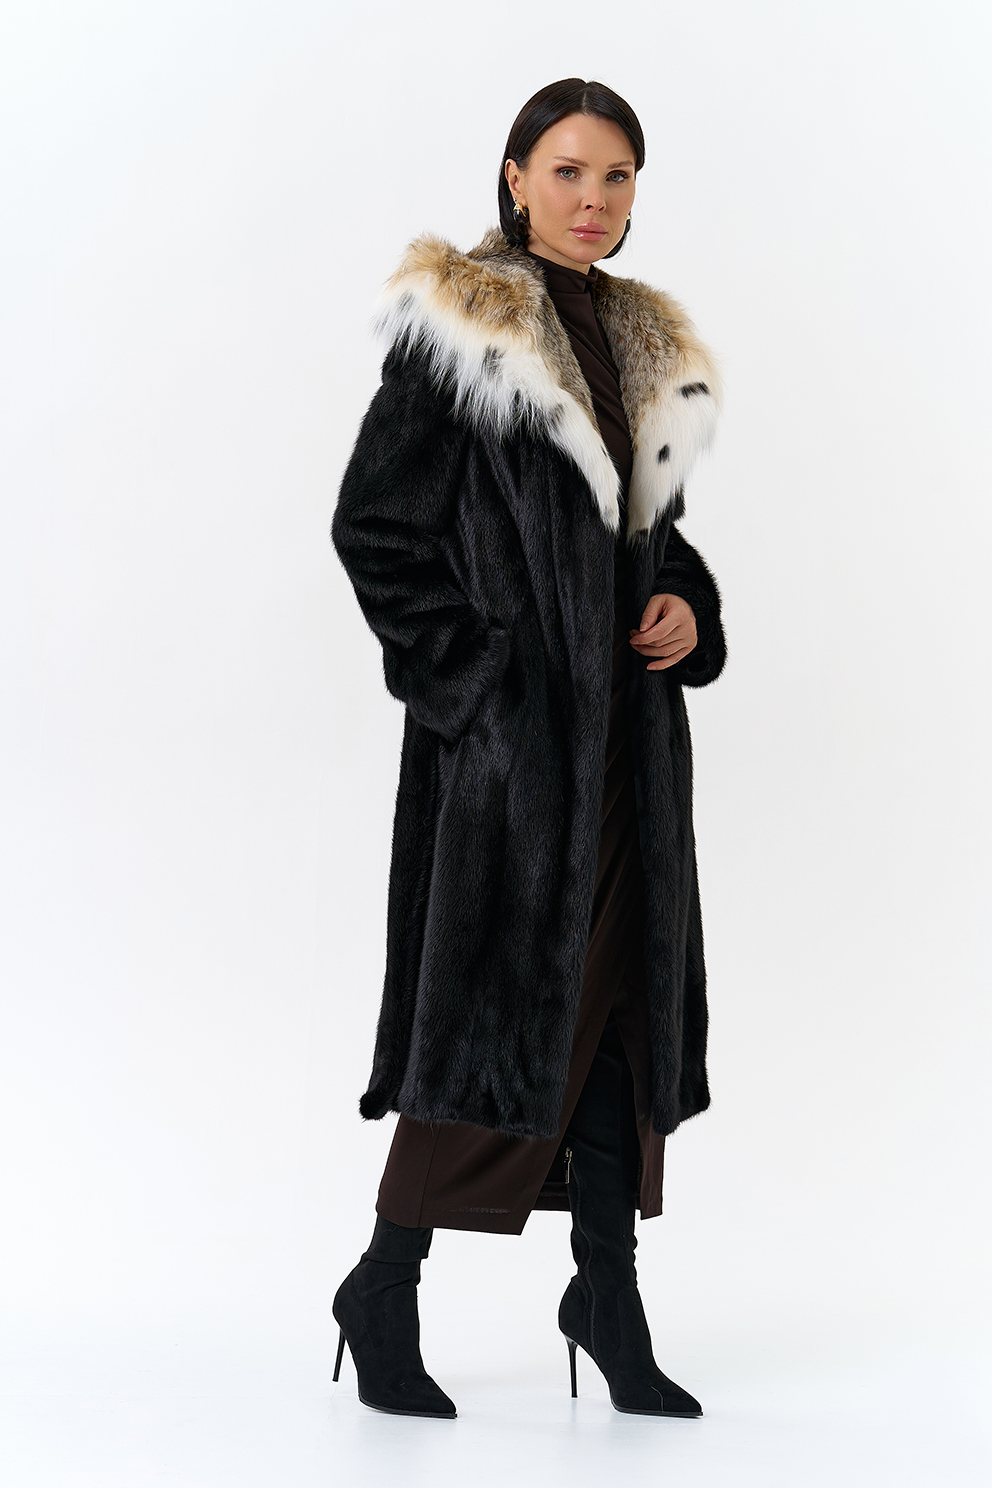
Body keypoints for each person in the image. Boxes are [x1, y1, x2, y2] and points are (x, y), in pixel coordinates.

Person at [329, 77, 726, 1420]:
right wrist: (479, 688)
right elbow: (377, 528)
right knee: (485, 1023)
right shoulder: (463, 325)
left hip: (630, 756)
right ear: (514, 178)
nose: (593, 200)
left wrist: (687, 608)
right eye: (567, 172)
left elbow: (650, 539)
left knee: (615, 1021)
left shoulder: (637, 339)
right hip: (515, 764)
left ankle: (607, 1295)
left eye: (616, 177)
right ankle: (385, 1285)